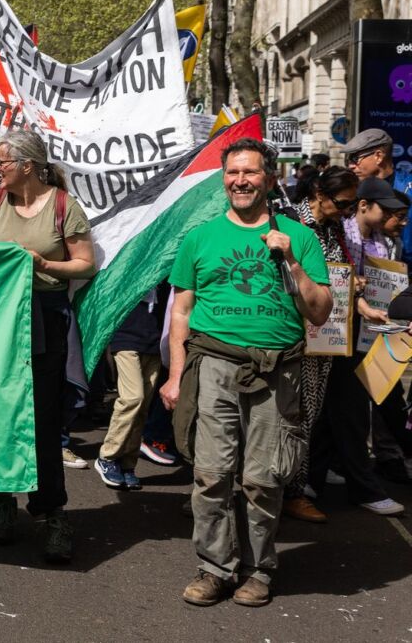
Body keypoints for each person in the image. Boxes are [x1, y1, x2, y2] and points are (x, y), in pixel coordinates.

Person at [160, 138, 332, 608]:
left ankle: (258, 569)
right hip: (213, 365)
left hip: (278, 371)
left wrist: (292, 263)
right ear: (224, 179)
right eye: (233, 173)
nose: (240, 181)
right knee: (211, 473)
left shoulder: (300, 238)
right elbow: (181, 312)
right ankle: (215, 568)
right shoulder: (200, 237)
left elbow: (319, 312)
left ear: (270, 180)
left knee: (264, 477)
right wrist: (176, 375)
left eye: (250, 173)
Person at [0, 128, 95, 565]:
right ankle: (3, 501)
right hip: (1, 319)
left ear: (26, 165)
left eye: (2, 162)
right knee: (1, 411)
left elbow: (86, 264)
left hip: (46, 316)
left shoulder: (63, 206)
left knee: (41, 416)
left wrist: (44, 264)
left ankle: (51, 511)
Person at [308, 175, 408, 516]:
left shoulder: (384, 242)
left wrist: (367, 302)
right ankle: (353, 484)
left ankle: (314, 479)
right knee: (344, 410)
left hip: (367, 332)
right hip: (332, 330)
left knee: (346, 407)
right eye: (345, 205)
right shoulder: (338, 230)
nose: (397, 219)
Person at [281, 166, 359, 523]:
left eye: (351, 205)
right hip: (289, 335)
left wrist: (350, 287)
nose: (347, 211)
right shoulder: (288, 222)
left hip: (323, 339)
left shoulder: (335, 228)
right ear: (318, 193)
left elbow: (338, 273)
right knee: (279, 416)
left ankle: (294, 491)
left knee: (306, 418)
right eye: (343, 203)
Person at [93, 285, 171, 492]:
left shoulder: (167, 262)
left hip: (155, 340)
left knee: (143, 405)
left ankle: (127, 463)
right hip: (125, 336)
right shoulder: (132, 258)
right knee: (132, 398)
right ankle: (107, 456)